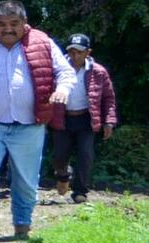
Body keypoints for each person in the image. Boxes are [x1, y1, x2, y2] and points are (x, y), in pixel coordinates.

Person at [0, 0, 75, 240]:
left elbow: (65, 71)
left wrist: (63, 89)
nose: (7, 29)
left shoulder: (42, 43)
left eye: (13, 23)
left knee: (26, 178)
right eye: (2, 24)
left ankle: (22, 223)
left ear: (24, 23)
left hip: (29, 125)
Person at [48, 33, 118, 204]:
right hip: (62, 118)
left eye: (79, 52)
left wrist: (109, 121)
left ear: (88, 52)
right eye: (72, 51)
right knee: (59, 155)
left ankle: (80, 191)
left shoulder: (99, 72)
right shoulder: (57, 69)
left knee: (86, 155)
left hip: (86, 119)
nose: (75, 55)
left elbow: (109, 98)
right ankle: (63, 176)